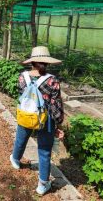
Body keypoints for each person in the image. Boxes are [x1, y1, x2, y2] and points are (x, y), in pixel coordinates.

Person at [9, 46, 65, 196]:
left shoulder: (23, 77)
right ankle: (42, 185)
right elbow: (56, 105)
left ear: (32, 61)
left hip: (26, 114)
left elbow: (22, 96)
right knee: (44, 151)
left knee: (21, 139)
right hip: (45, 119)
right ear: (47, 63)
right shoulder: (52, 81)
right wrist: (58, 124)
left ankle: (15, 160)